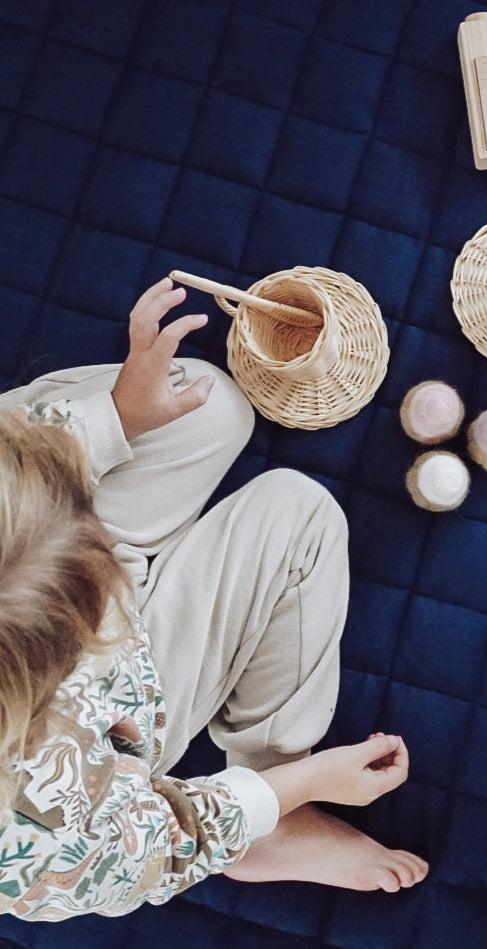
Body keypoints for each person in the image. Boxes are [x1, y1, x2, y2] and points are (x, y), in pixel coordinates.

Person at [0, 278, 428, 921]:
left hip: (43, 541)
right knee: (299, 513)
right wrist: (290, 785)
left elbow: (25, 463)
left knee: (210, 401)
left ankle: (80, 493)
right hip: (118, 717)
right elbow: (152, 850)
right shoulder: (32, 834)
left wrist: (116, 416)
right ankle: (272, 824)